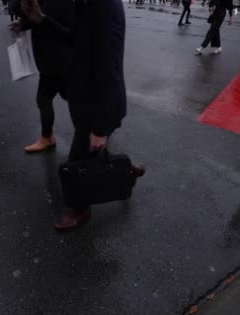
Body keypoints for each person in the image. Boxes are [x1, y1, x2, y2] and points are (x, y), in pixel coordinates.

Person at [21, 0, 144, 230]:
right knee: (91, 154)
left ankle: (80, 209)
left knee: (77, 164)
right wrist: (42, 21)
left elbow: (110, 66)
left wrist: (99, 127)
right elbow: (75, 39)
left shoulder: (104, 7)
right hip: (87, 99)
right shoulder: (87, 4)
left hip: (98, 105)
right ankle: (125, 172)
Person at [10, 0, 75, 153]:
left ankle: (97, 131)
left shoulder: (67, 3)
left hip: (62, 63)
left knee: (74, 100)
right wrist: (23, 25)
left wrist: (43, 19)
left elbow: (71, 34)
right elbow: (37, 20)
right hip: (47, 64)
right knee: (45, 100)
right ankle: (47, 138)